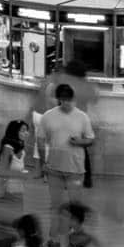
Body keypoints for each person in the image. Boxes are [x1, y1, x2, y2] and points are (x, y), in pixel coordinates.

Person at [37, 82, 95, 211]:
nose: (67, 103)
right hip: (53, 168)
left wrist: (80, 141)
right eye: (63, 100)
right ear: (59, 100)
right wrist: (43, 163)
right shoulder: (48, 116)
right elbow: (40, 140)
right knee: (55, 204)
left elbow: (90, 139)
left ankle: (72, 228)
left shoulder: (82, 117)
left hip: (76, 169)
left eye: (69, 100)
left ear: (73, 99)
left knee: (74, 205)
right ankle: (56, 228)